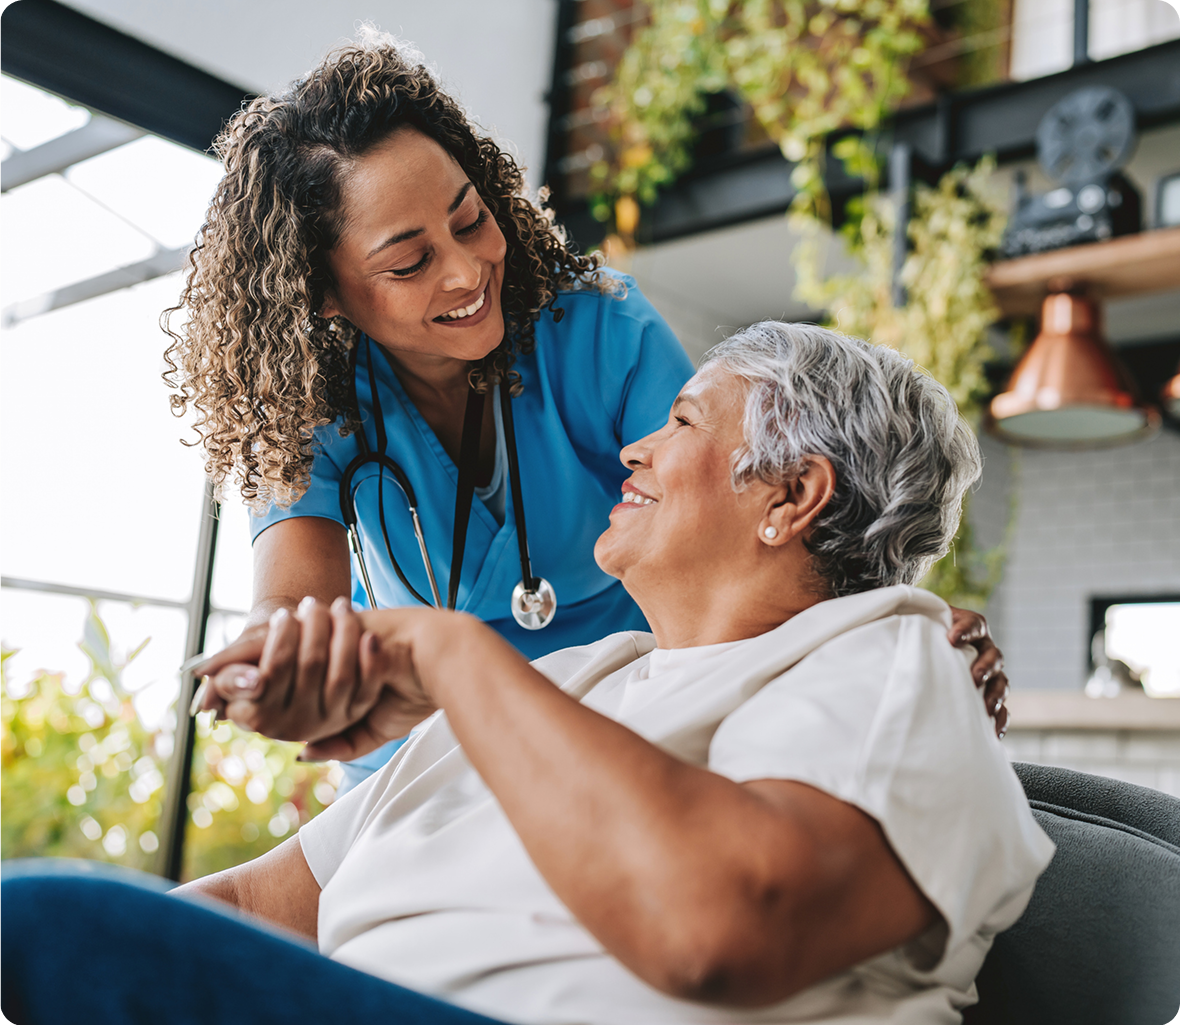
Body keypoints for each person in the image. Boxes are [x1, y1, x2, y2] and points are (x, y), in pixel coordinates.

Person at [0, 322, 1054, 1025]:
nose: (634, 449)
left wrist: (447, 648)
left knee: (47, 932)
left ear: (791, 496)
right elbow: (254, 904)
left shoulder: (886, 664)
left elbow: (718, 931)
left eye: (682, 421)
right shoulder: (574, 681)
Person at [167, 34, 1009, 784]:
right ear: (324, 296)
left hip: (616, 736)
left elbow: (747, 519)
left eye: (470, 220)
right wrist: (275, 663)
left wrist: (891, 630)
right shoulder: (315, 401)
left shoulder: (601, 331)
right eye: (410, 262)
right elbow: (292, 605)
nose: (466, 272)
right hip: (418, 765)